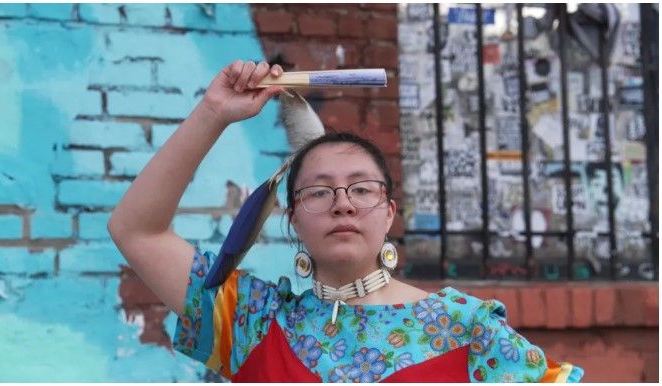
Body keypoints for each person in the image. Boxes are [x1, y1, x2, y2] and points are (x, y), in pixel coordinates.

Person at [108, 60, 584, 382]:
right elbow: (136, 230)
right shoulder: (252, 322)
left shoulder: (464, 328)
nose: (343, 204)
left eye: (361, 188)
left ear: (389, 212)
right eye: (318, 191)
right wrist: (213, 112)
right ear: (293, 219)